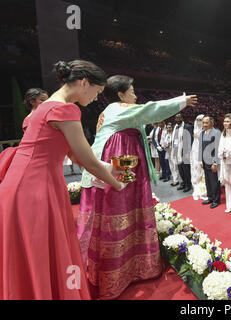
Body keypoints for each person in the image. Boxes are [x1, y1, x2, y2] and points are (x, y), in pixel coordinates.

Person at [0, 60, 126, 299]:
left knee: (31, 252)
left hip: (24, 183)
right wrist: (117, 183)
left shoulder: (44, 107)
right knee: (41, 250)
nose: (96, 98)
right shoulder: (66, 109)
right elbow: (85, 158)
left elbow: (70, 153)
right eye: (97, 92)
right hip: (34, 187)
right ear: (84, 83)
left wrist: (109, 169)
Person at [77, 75, 197, 299]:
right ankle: (120, 270)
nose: (135, 95)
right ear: (121, 94)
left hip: (122, 159)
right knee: (121, 208)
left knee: (128, 210)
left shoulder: (111, 111)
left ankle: (130, 265)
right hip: (121, 160)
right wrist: (180, 101)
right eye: (131, 91)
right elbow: (150, 110)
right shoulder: (119, 109)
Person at [0, 88, 48, 182]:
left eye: (47, 100)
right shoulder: (29, 119)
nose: (46, 103)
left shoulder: (43, 115)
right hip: (36, 157)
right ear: (32, 102)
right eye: (42, 100)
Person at [200, 115, 222, 209]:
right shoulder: (202, 133)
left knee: (214, 181)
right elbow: (201, 148)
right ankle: (210, 197)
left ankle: (216, 200)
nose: (204, 124)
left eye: (206, 122)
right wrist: (200, 160)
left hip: (213, 161)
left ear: (212, 123)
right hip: (205, 161)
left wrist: (215, 163)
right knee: (208, 181)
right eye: (203, 122)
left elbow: (218, 149)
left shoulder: (216, 132)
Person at [172, 113, 193, 192]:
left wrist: (188, 152)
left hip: (185, 151)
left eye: (179, 118)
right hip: (177, 151)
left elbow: (190, 139)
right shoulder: (175, 127)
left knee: (186, 170)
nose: (177, 119)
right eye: (176, 118)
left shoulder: (187, 127)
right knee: (180, 169)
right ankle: (184, 183)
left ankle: (188, 185)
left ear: (182, 118)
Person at [190, 114, 208, 200]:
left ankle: (204, 190)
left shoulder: (207, 131)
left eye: (200, 120)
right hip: (195, 152)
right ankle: (196, 186)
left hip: (203, 152)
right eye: (197, 120)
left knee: (202, 170)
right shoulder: (195, 130)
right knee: (195, 169)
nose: (199, 122)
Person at [163, 122, 180, 186]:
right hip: (168, 152)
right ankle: (174, 179)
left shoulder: (174, 135)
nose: (168, 129)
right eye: (167, 128)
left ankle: (176, 180)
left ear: (172, 128)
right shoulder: (166, 135)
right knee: (171, 166)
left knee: (175, 166)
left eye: (169, 127)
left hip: (173, 152)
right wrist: (165, 145)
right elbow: (164, 143)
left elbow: (176, 144)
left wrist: (170, 145)